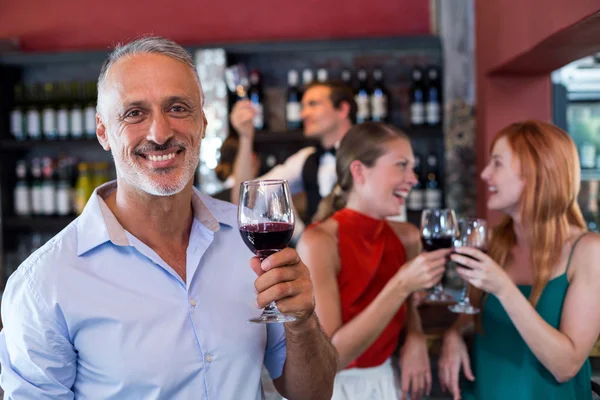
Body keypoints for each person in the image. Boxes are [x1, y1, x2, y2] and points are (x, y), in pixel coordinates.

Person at [0, 36, 337, 399]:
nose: (160, 133)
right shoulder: (44, 284)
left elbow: (313, 393)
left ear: (203, 123)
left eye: (177, 108)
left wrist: (302, 322)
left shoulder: (247, 244)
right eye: (134, 113)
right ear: (103, 131)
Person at [438, 120, 600, 400]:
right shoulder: (495, 243)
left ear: (535, 172)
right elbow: (474, 314)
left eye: (497, 163)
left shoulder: (588, 252)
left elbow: (565, 366)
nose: (485, 174)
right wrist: (454, 334)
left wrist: (504, 288)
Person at [296, 122, 452, 399]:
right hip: (335, 389)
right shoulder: (319, 242)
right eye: (401, 165)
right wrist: (401, 285)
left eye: (412, 167)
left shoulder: (407, 237)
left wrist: (415, 336)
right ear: (359, 171)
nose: (413, 178)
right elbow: (331, 358)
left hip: (386, 381)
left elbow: (408, 308)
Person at [230, 80, 355, 224]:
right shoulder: (306, 158)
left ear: (342, 109)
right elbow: (247, 201)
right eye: (303, 107)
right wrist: (246, 137)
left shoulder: (372, 154)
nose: (303, 114)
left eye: (313, 104)